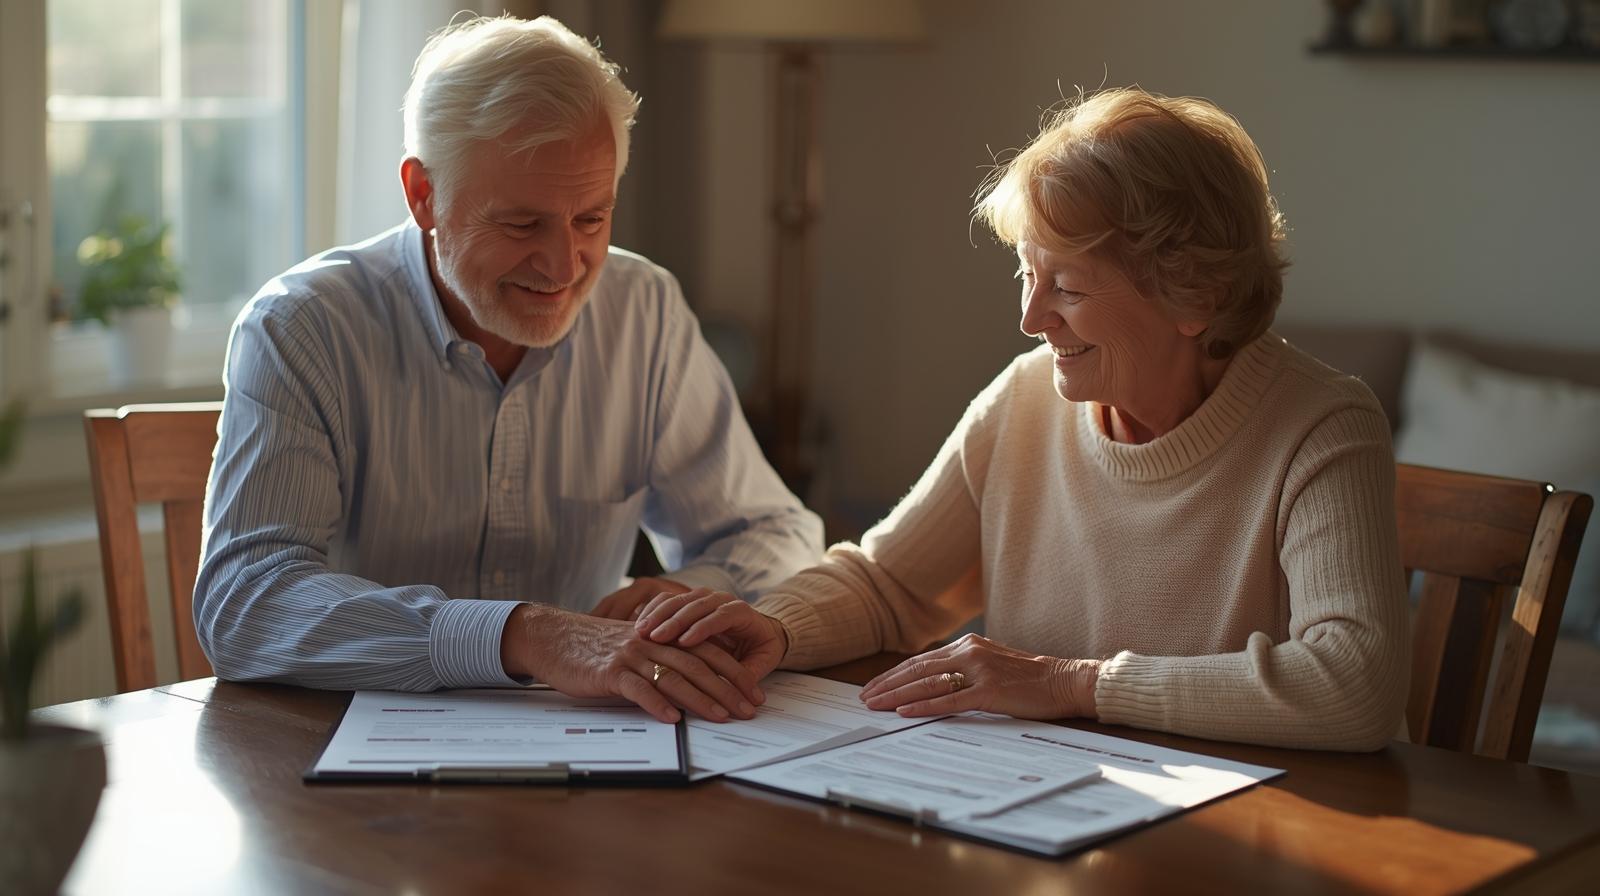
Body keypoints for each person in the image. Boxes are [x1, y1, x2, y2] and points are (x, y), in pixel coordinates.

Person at [633, 87, 1410, 751]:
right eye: (1026, 275)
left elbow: (1353, 683)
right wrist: (777, 629)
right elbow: (888, 586)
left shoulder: (1322, 426)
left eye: (1066, 287)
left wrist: (1073, 684)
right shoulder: (1025, 399)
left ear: (1194, 296)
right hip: (1058, 811)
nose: (1031, 318)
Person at [193, 15, 823, 724]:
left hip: (592, 745)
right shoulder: (303, 328)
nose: (563, 268)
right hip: (345, 766)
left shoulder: (642, 309)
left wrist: (688, 596)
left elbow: (781, 535)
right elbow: (246, 603)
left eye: (591, 219)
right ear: (422, 195)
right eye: (521, 225)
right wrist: (525, 635)